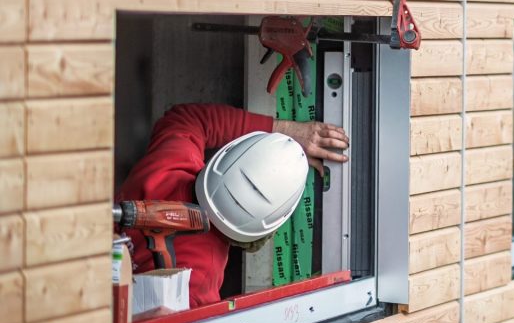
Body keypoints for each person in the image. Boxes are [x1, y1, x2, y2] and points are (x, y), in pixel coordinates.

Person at [116, 102, 349, 307]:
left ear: (224, 157)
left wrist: (284, 130)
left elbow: (191, 118)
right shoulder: (200, 281)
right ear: (269, 225)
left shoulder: (171, 162)